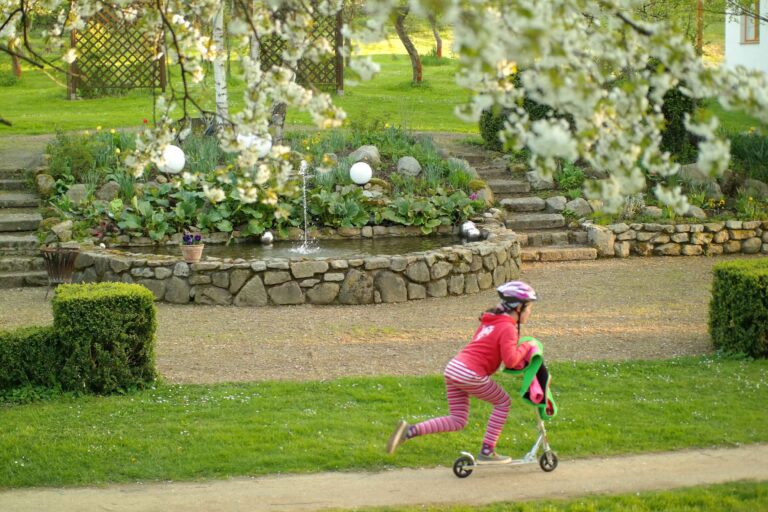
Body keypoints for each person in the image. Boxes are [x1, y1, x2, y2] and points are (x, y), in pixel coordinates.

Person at [386, 280, 538, 464]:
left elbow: (482, 347)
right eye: (529, 308)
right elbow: (511, 360)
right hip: (469, 373)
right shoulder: (508, 328)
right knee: (503, 402)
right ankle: (487, 452)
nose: (530, 312)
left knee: (458, 419)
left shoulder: (491, 321)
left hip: (454, 368)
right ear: (518, 308)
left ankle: (409, 431)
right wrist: (528, 346)